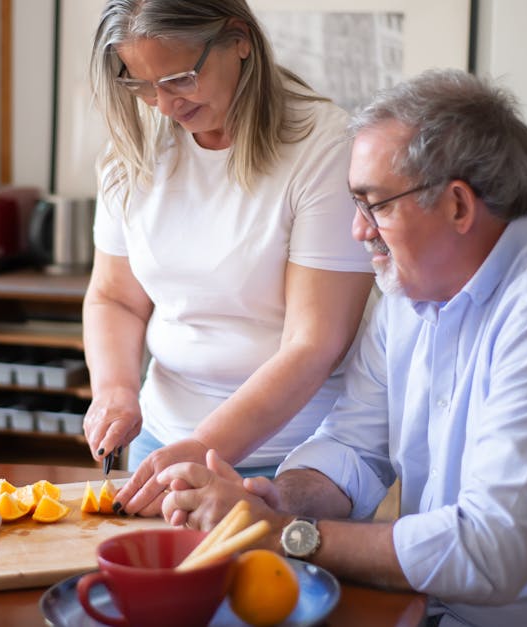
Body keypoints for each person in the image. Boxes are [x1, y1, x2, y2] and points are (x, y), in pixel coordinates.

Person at [158, 69, 527, 626]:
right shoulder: (406, 295)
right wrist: (279, 501)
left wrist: (289, 535)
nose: (358, 230)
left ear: (458, 206)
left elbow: (487, 551)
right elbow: (353, 447)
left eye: (373, 204)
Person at [82, 0, 374, 517]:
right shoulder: (136, 147)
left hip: (292, 458)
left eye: (178, 78)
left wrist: (204, 449)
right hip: (163, 440)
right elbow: (114, 297)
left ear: (239, 40)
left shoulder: (324, 149)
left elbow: (314, 343)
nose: (164, 105)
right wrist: (115, 389)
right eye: (142, 85)